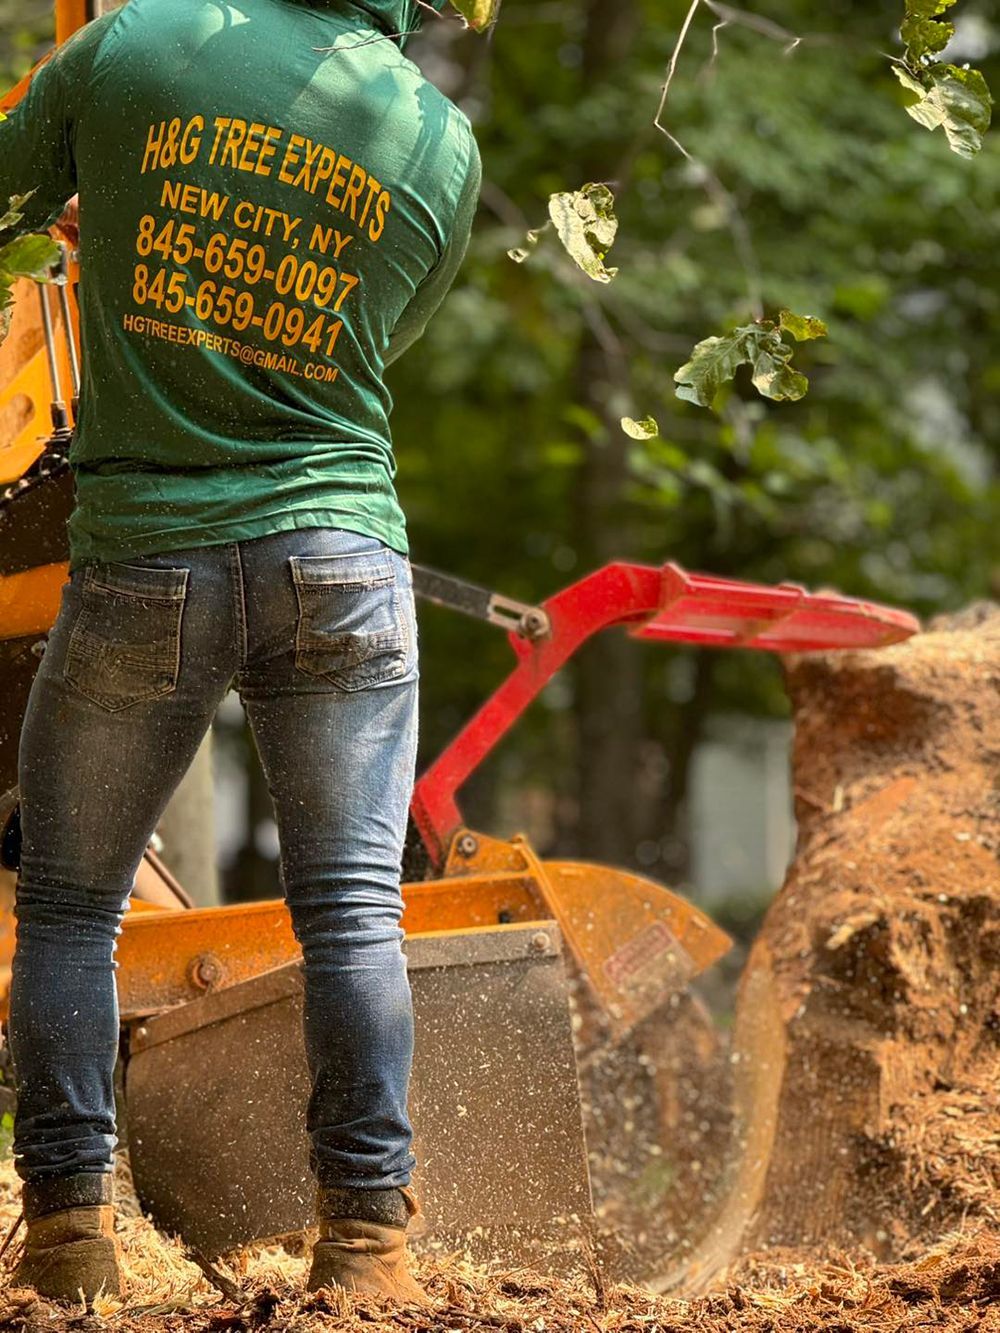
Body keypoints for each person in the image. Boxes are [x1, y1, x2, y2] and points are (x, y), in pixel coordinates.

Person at [0, 0, 481, 1307]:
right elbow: (349, 346)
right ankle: (368, 1244)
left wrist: (110, 247)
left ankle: (68, 1244)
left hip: (142, 553)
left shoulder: (133, 45)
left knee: (65, 909)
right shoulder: (437, 137)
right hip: (340, 559)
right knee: (352, 914)